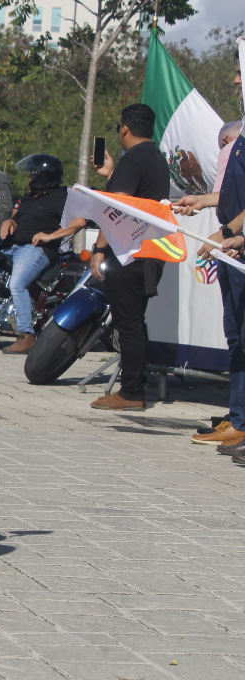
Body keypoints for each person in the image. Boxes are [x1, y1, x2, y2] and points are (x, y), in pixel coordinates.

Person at [174, 63, 245, 454]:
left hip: (238, 249)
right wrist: (205, 201)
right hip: (234, 252)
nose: (235, 79)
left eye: (240, 71)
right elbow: (236, 197)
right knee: (237, 339)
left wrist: (228, 234)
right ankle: (239, 417)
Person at [83, 104, 171, 411]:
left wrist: (99, 250)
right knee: (134, 321)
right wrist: (111, 174)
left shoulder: (132, 159)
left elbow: (115, 209)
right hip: (148, 252)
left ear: (125, 129)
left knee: (128, 323)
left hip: (128, 253)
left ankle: (132, 392)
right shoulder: (156, 158)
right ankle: (133, 386)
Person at [0, 155, 74, 354]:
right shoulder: (30, 196)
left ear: (44, 176)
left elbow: (79, 222)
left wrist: (50, 236)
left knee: (17, 284)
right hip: (13, 246)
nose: (29, 178)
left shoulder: (61, 197)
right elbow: (16, 218)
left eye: (33, 175)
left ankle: (27, 335)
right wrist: (9, 222)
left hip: (36, 249)